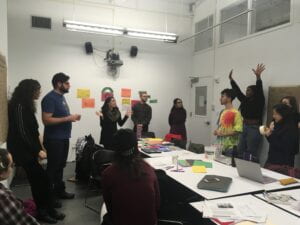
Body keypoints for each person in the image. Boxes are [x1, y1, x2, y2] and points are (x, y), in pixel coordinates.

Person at [7, 79, 64, 223]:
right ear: (29, 91)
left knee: (42, 181)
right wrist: (37, 151)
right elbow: (22, 133)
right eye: (37, 90)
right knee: (39, 182)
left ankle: (48, 209)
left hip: (30, 149)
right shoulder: (19, 107)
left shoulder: (27, 106)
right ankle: (43, 211)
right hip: (23, 152)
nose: (39, 92)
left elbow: (33, 131)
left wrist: (40, 147)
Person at [102, 129, 160, 225]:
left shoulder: (108, 174)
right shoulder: (149, 169)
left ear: (115, 149)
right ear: (136, 146)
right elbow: (157, 205)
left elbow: (110, 207)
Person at [42, 73, 81, 200]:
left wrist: (71, 118)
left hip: (63, 138)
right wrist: (68, 118)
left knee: (60, 167)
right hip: (54, 139)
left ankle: (59, 192)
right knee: (53, 169)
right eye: (67, 83)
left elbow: (61, 117)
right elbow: (46, 120)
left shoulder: (61, 97)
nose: (69, 85)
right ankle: (49, 197)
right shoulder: (50, 98)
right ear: (59, 84)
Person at [229, 64, 266, 160]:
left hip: (254, 128)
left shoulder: (259, 100)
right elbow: (237, 92)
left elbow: (259, 89)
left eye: (249, 90)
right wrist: (231, 80)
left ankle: (251, 172)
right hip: (244, 126)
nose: (246, 91)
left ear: (254, 92)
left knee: (251, 152)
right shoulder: (245, 100)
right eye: (246, 90)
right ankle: (240, 170)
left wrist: (258, 77)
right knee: (240, 150)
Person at [0, 148, 41, 225]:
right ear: (1, 173)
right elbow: (24, 222)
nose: (13, 167)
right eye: (11, 165)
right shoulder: (3, 197)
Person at [214, 89, 243, 156]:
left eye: (222, 96)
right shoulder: (222, 112)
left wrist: (222, 133)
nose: (220, 98)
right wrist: (217, 131)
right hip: (219, 146)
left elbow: (238, 131)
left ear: (229, 98)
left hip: (230, 148)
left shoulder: (236, 113)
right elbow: (221, 127)